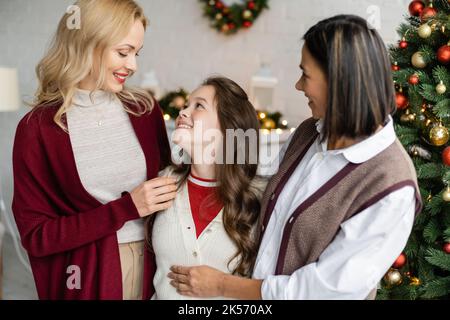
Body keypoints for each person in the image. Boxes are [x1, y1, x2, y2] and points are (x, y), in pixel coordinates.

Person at [168, 15, 423, 300]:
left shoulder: (390, 185)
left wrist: (222, 286)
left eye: (306, 75)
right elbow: (252, 171)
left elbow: (325, 291)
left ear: (338, 82)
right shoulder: (309, 133)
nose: (298, 86)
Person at [12, 0, 176, 300]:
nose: (133, 65)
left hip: (159, 267)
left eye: (136, 54)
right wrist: (126, 209)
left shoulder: (145, 110)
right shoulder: (38, 128)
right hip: (91, 275)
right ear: (87, 43)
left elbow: (170, 184)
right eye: (123, 52)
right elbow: (36, 236)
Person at [148, 77, 267, 300]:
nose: (182, 112)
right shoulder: (163, 183)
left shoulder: (262, 196)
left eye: (198, 106)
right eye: (185, 105)